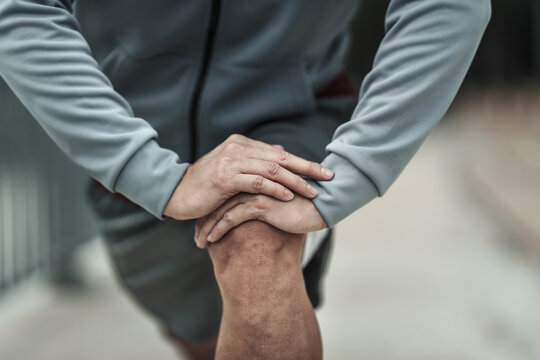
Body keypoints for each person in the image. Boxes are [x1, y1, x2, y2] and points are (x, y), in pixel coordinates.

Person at [0, 0, 491, 359]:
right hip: (135, 134)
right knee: (203, 339)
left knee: (257, 256)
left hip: (295, 114)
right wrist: (149, 173)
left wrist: (356, 172)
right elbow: (23, 10)